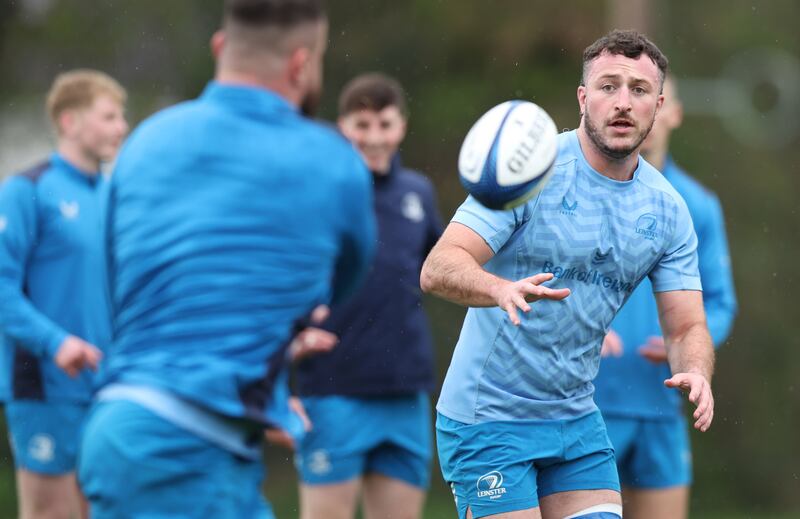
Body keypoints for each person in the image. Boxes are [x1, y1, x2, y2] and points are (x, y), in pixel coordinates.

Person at [76, 1, 376, 518]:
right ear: (301, 65)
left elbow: (120, 293)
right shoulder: (334, 162)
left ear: (220, 47)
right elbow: (335, 290)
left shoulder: (146, 141)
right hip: (182, 451)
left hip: (128, 430)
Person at [420, 29, 715, 519]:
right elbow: (438, 267)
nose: (622, 102)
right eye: (608, 86)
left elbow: (686, 326)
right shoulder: (528, 172)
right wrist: (498, 287)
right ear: (583, 97)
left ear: (659, 105)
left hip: (576, 419)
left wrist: (697, 370)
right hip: (488, 419)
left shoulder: (668, 211)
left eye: (639, 90)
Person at [293, 73, 443, 519]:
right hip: (334, 389)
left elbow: (445, 271)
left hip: (405, 391)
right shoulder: (318, 191)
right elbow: (284, 279)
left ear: (402, 127)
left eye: (385, 124)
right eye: (362, 125)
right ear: (342, 126)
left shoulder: (417, 192)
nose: (374, 138)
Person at [593, 75, 737, 519]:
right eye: (625, 95)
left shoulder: (697, 204)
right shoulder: (585, 189)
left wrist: (687, 346)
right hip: (589, 405)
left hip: (660, 406)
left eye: (649, 97)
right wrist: (577, 329)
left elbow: (719, 302)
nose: (637, 108)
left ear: (670, 111)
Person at [0, 69, 128, 519]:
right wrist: (56, 343)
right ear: (70, 122)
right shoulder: (27, 190)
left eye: (122, 117)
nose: (122, 127)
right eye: (109, 116)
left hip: (108, 386)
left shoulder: (115, 196)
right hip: (45, 388)